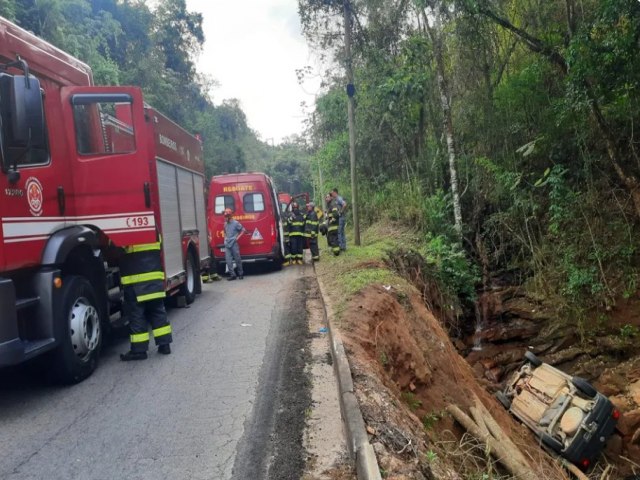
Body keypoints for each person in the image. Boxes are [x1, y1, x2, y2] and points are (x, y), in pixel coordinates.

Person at [119, 233, 172, 361]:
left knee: (137, 315)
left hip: (136, 282)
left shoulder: (128, 230)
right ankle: (165, 345)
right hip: (154, 278)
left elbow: (117, 248)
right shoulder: (153, 229)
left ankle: (139, 350)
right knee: (158, 312)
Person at [224, 208, 247, 280]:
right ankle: (232, 275)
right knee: (228, 260)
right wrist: (225, 238)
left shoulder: (236, 223)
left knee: (237, 259)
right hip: (227, 244)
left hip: (234, 243)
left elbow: (243, 230)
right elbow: (225, 232)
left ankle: (241, 274)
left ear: (231, 215)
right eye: (225, 215)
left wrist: (237, 238)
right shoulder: (225, 224)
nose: (226, 217)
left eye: (227, 215)